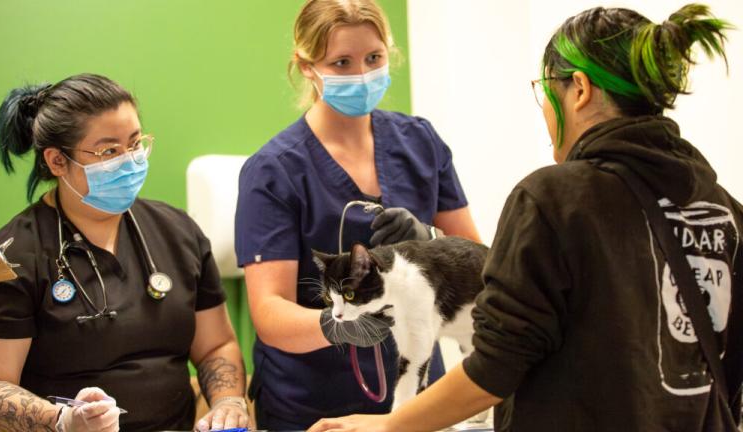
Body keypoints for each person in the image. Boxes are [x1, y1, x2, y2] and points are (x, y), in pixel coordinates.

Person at [307, 4, 743, 432]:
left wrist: (390, 426)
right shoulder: (726, 211)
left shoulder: (553, 199)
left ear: (579, 89)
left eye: (544, 89)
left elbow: (495, 365)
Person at [234, 0, 480, 428]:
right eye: (341, 63)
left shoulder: (419, 142)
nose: (362, 75)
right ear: (307, 66)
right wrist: (346, 324)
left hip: (417, 392)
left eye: (373, 58)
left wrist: (431, 242)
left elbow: (482, 264)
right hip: (313, 400)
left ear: (389, 51)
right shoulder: (274, 171)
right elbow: (270, 313)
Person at [0, 74, 249, 432]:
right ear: (57, 162)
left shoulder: (177, 232)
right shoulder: (14, 257)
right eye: (109, 151)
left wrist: (229, 401)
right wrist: (63, 421)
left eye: (135, 144)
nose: (129, 161)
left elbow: (217, 346)